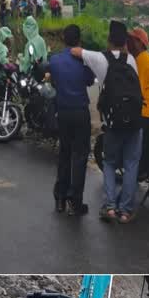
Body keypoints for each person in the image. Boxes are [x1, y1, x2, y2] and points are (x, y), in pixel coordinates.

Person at [70, 20, 143, 224]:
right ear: (125, 43)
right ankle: (126, 211)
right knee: (131, 164)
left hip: (113, 122)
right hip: (134, 122)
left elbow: (76, 51)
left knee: (110, 163)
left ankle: (110, 207)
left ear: (109, 40)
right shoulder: (132, 62)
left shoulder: (100, 59)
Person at [49, 24, 95, 216]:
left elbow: (54, 82)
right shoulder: (83, 61)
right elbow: (90, 81)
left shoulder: (55, 60)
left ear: (63, 39)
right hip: (80, 113)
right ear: (79, 40)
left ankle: (59, 198)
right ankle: (75, 201)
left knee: (65, 153)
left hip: (63, 112)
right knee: (80, 156)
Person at [126, 27, 149, 127]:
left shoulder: (142, 59)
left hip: (146, 113)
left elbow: (136, 91)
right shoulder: (142, 58)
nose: (127, 42)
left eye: (131, 39)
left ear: (140, 43)